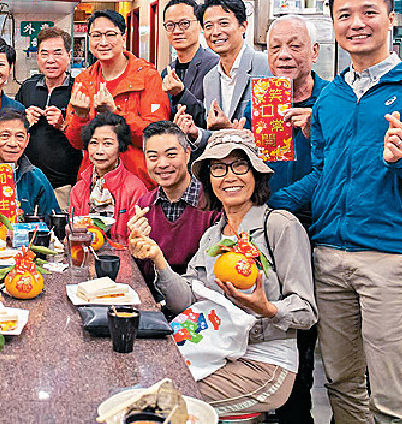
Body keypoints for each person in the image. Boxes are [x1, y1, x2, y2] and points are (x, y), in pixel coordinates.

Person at [269, 0, 402, 424]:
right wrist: (269, 201)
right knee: (341, 385)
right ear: (334, 25)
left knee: (392, 397)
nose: (356, 24)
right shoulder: (332, 97)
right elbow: (322, 175)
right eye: (344, 16)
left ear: (390, 18)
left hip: (390, 260)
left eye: (368, 13)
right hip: (329, 257)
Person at [130, 129, 316, 416]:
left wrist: (268, 309)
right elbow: (188, 301)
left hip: (263, 361)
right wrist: (158, 259)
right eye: (218, 168)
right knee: (143, 382)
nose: (230, 177)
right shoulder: (213, 236)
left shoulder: (279, 225)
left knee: (159, 406)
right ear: (209, 180)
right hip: (215, 350)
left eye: (240, 166)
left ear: (256, 173)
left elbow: (306, 311)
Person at [240, 14, 329, 424]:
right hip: (261, 239)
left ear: (314, 51)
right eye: (275, 47)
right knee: (260, 333)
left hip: (313, 234)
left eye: (295, 46)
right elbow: (256, 170)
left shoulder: (332, 102)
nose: (284, 55)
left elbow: (332, 172)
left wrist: (276, 206)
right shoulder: (261, 100)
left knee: (303, 345)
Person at [65, 9, 169, 189]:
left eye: (110, 34)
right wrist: (80, 117)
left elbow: (156, 136)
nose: (103, 42)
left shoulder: (147, 76)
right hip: (95, 183)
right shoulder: (84, 80)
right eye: (96, 35)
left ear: (123, 37)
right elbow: (76, 142)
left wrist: (115, 113)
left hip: (138, 183)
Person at [134, 121, 220, 287]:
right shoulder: (144, 205)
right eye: (153, 157)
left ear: (187, 154)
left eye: (171, 155)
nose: (163, 164)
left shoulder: (212, 203)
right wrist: (137, 249)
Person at [182, 0, 271, 151]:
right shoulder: (210, 78)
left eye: (223, 23)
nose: (215, 32)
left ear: (243, 26)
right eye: (208, 26)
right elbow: (216, 135)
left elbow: (274, 136)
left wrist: (230, 130)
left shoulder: (266, 67)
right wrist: (196, 133)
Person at [16, 26, 83, 208]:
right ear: (37, 58)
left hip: (65, 185)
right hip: (27, 183)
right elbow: (12, 128)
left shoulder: (79, 89)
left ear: (69, 56)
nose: (50, 60)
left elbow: (87, 133)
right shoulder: (27, 88)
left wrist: (64, 124)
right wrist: (24, 122)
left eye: (58, 53)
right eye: (44, 54)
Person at [69, 112, 147, 246]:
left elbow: (138, 240)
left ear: (120, 146)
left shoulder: (136, 189)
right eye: (93, 143)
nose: (99, 151)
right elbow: (74, 234)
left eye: (107, 144)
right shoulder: (79, 189)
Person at [159, 0, 219, 127]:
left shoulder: (214, 66)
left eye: (184, 23)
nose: (176, 31)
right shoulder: (167, 71)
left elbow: (211, 119)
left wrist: (181, 93)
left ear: (200, 25)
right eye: (170, 25)